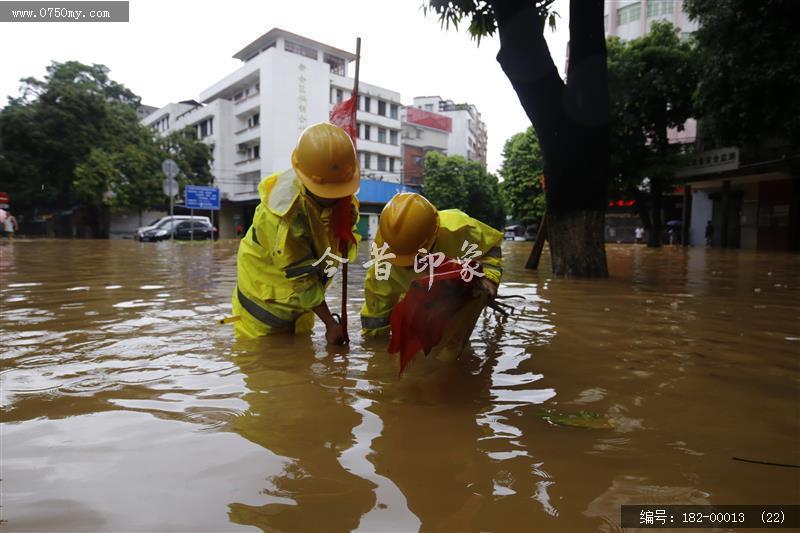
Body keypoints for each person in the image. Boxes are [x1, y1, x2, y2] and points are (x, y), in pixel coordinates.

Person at [231, 123, 359, 343]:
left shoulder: (331, 188)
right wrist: (330, 323)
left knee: (300, 359)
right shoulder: (285, 218)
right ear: (310, 181)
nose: (339, 196)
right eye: (333, 192)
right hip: (264, 309)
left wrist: (348, 219)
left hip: (301, 305)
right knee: (271, 370)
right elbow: (303, 280)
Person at [360, 192, 503, 336]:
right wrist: (375, 351)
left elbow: (490, 248)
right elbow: (375, 320)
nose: (409, 265)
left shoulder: (460, 229)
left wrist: (489, 278)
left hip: (457, 295)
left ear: (433, 237)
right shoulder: (382, 267)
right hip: (416, 304)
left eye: (416, 258)